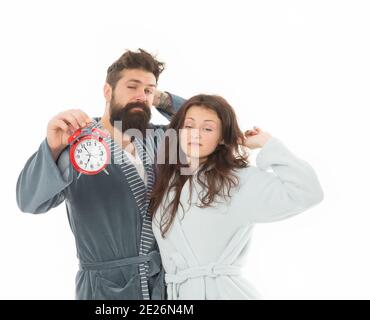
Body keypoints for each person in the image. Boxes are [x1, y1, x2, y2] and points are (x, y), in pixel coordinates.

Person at [16, 49, 185, 299]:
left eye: (149, 90)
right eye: (132, 86)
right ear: (108, 91)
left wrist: (160, 99)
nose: (141, 96)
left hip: (162, 286)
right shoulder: (78, 144)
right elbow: (29, 201)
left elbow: (205, 121)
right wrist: (52, 148)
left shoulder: (160, 140)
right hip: (104, 290)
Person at [149, 94, 324, 299]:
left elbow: (308, 191)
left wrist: (267, 144)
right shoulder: (170, 184)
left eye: (207, 129)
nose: (195, 134)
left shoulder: (237, 181)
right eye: (188, 126)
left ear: (222, 137)